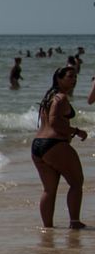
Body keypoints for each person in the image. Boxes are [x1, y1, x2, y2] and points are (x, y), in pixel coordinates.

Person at [31, 66, 87, 229]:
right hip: (54, 144)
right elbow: (54, 122)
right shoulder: (61, 97)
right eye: (70, 77)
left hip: (38, 146)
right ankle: (74, 222)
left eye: (75, 77)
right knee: (76, 183)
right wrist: (77, 131)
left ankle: (48, 228)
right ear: (58, 79)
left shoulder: (49, 97)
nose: (74, 80)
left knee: (49, 190)